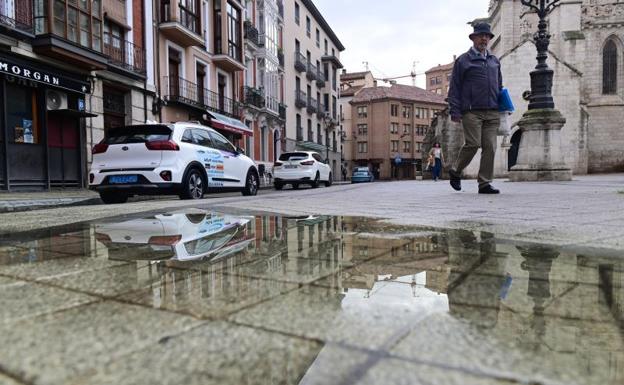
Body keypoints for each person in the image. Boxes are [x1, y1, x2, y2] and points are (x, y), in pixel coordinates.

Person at [447, 23, 502, 194]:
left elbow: (499, 85)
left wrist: (503, 106)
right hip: (471, 111)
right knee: (473, 144)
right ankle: (455, 171)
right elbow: (455, 87)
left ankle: (484, 183)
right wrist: (454, 111)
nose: (484, 39)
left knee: (490, 147)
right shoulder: (463, 60)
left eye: (487, 36)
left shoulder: (494, 61)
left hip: (493, 110)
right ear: (473, 38)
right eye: (481, 36)